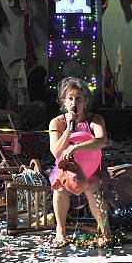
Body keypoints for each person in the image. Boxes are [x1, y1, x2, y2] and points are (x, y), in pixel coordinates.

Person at [48, 77, 110, 247]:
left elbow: (101, 141)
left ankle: (105, 231)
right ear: (64, 101)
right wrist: (69, 128)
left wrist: (76, 148)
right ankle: (60, 232)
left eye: (78, 98)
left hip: (90, 169)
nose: (74, 102)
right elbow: (56, 151)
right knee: (59, 188)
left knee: (93, 188)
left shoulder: (95, 119)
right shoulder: (57, 122)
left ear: (86, 101)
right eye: (70, 98)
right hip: (66, 168)